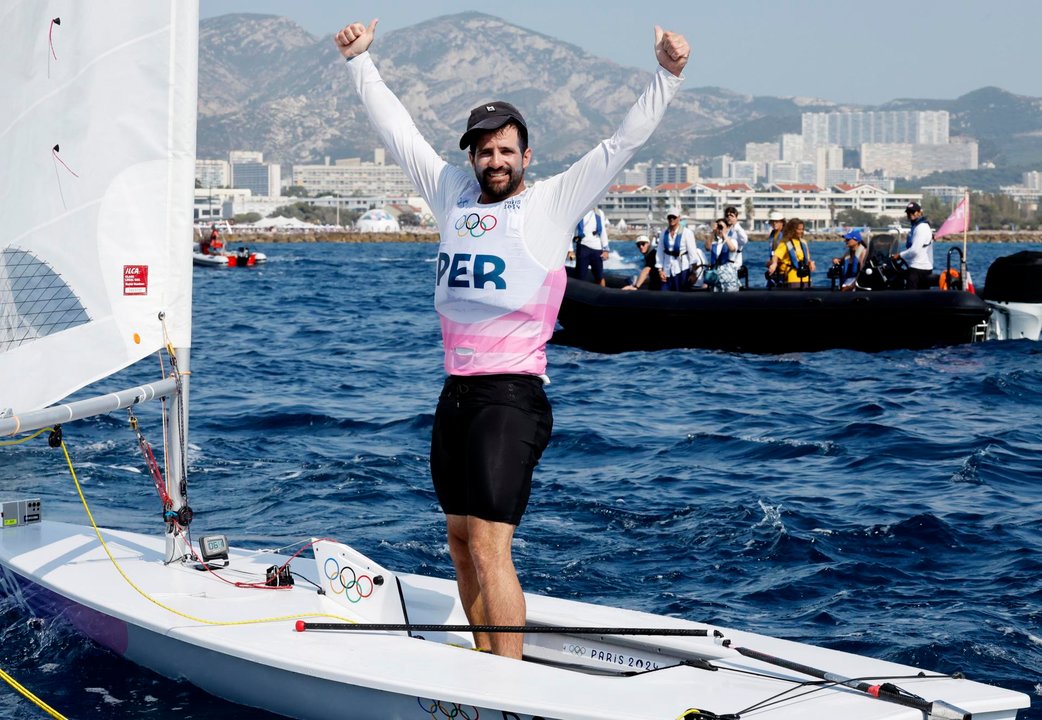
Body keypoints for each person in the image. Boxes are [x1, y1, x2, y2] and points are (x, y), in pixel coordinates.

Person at [335, 18, 690, 659]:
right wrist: (361, 61)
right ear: (472, 156)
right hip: (457, 395)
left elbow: (619, 146)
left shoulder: (551, 203)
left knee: (492, 544)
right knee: (460, 540)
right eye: (483, 150)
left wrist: (666, 77)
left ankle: (509, 682)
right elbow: (399, 134)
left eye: (506, 150)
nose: (494, 161)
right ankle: (484, 666)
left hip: (512, 396)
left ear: (526, 156)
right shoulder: (451, 195)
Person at [892, 201, 934, 289]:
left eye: (913, 212)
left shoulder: (921, 227)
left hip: (919, 269)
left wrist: (899, 255)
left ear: (919, 212)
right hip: (915, 267)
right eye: (908, 212)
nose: (910, 214)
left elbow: (914, 250)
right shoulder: (915, 227)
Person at [656, 209, 699, 291]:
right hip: (667, 269)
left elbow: (693, 255)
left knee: (681, 296)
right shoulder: (663, 233)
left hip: (682, 269)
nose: (671, 219)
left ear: (679, 218)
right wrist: (660, 270)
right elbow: (659, 252)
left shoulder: (687, 233)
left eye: (674, 217)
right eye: (669, 217)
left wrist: (694, 273)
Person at [767, 217, 816, 287]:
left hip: (805, 278)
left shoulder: (803, 242)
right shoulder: (785, 242)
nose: (801, 231)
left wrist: (811, 263)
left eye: (802, 229)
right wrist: (774, 264)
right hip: (792, 278)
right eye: (799, 229)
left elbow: (806, 259)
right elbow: (776, 255)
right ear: (792, 230)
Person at [574, 208, 610, 285]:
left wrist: (606, 250)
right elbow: (572, 230)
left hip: (597, 248)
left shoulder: (599, 212)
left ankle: (603, 294)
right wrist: (570, 250)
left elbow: (603, 231)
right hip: (583, 247)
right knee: (581, 276)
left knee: (599, 276)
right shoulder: (578, 211)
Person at [706, 218, 740, 292]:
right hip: (715, 275)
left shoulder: (732, 241)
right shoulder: (715, 242)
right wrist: (713, 232)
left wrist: (724, 234)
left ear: (727, 228)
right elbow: (707, 247)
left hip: (729, 276)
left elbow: (732, 249)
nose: (719, 230)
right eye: (718, 227)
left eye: (721, 227)